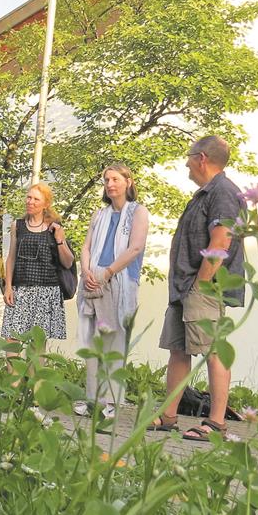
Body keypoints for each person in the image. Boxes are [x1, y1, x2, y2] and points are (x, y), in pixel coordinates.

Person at [149, 135, 245, 441]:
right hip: (184, 288)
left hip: (203, 288)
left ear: (202, 158)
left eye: (189, 157)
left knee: (213, 351)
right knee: (178, 351)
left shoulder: (223, 192)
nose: (186, 163)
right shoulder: (202, 195)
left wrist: (201, 284)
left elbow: (221, 241)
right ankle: (168, 417)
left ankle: (215, 423)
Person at [76, 163, 149, 416]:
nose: (110, 184)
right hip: (93, 278)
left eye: (115, 179)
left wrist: (108, 273)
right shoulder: (99, 214)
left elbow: (135, 248)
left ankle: (111, 402)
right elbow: (86, 247)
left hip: (119, 279)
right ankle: (92, 400)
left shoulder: (138, 212)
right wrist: (87, 272)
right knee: (93, 342)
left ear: (128, 181)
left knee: (115, 340)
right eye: (106, 180)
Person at [2, 183, 74, 350]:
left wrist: (59, 239)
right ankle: (14, 377)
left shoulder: (54, 227)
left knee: (37, 345)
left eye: (36, 199)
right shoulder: (17, 225)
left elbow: (68, 262)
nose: (30, 201)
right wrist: (8, 287)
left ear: (45, 204)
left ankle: (37, 377)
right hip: (20, 289)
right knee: (12, 340)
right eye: (29, 197)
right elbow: (11, 258)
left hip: (46, 291)